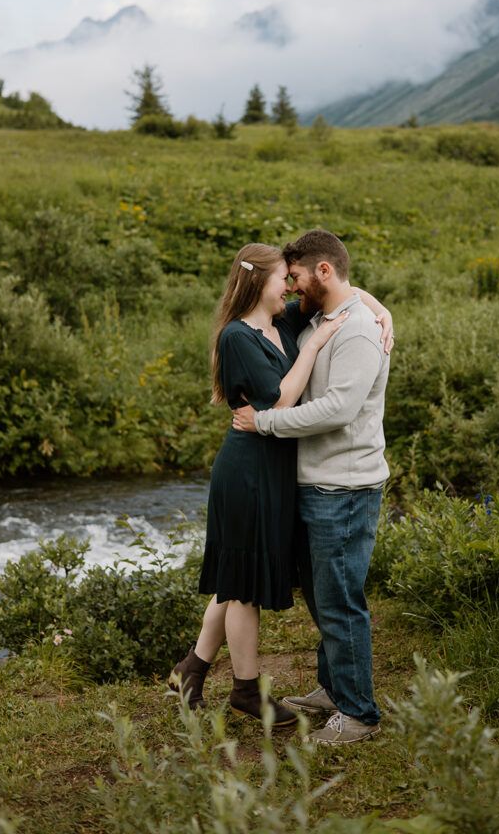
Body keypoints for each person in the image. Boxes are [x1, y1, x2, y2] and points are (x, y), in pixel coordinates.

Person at [169, 242, 389, 728]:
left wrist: (378, 307)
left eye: (292, 279)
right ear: (258, 283)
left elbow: (337, 293)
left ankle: (192, 670)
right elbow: (278, 405)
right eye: (281, 280)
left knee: (238, 576)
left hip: (276, 467)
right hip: (248, 468)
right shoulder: (237, 337)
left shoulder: (281, 322)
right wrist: (315, 344)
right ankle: (246, 690)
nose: (289, 287)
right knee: (242, 582)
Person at [233, 229, 391, 744]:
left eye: (298, 276)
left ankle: (360, 715)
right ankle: (335, 690)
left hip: (344, 490)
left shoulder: (359, 331)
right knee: (324, 600)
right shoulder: (322, 318)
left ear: (323, 271)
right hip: (317, 483)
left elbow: (339, 410)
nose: (294, 288)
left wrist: (266, 423)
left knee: (341, 602)